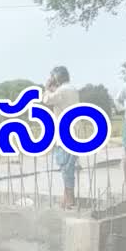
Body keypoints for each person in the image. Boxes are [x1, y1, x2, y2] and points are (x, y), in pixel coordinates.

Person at [42, 66, 80, 209]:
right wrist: (53, 89)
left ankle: (69, 200)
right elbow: (57, 98)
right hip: (72, 131)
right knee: (67, 167)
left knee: (66, 167)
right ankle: (66, 198)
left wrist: (46, 87)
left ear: (57, 77)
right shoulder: (71, 89)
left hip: (65, 133)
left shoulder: (62, 90)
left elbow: (46, 100)